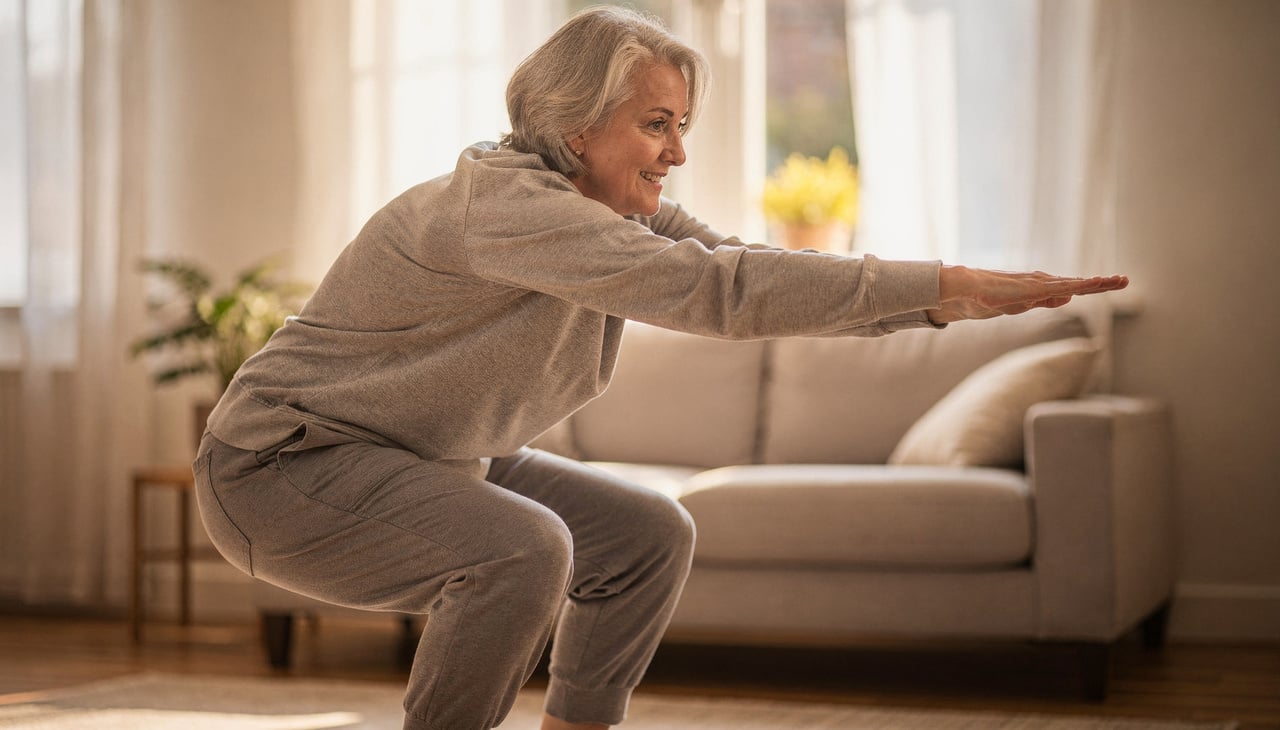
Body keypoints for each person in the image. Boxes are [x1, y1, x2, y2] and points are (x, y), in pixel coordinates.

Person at [193, 6, 1127, 730]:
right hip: (284, 468)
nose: (678, 152)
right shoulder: (506, 208)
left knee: (646, 533)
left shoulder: (613, 214)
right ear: (576, 122)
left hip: (425, 455)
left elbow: (747, 275)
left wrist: (932, 303)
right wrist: (943, 281)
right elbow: (716, 294)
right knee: (525, 548)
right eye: (656, 125)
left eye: (682, 125)